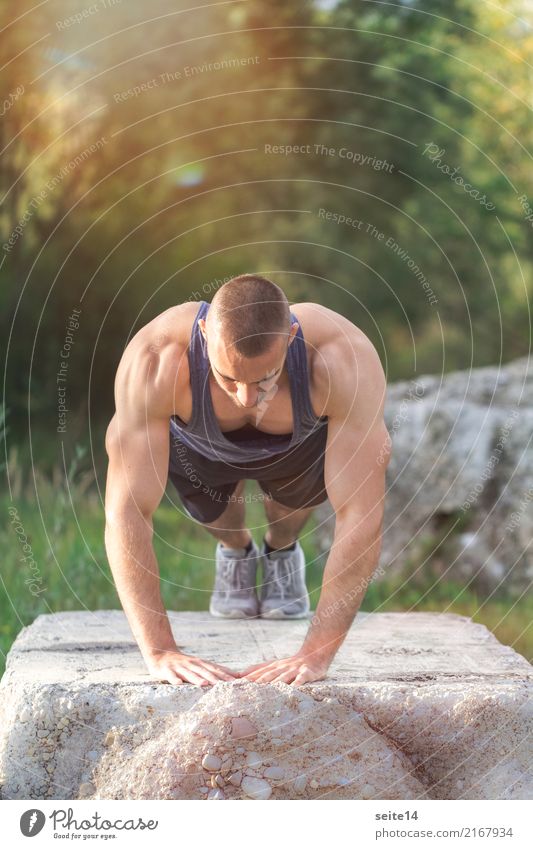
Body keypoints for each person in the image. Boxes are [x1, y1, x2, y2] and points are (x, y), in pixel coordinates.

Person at [104, 274, 391, 687]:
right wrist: (160, 651)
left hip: (298, 445)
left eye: (265, 378)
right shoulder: (157, 360)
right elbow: (127, 510)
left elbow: (362, 514)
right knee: (218, 515)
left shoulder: (342, 357)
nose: (246, 398)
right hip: (200, 444)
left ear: (292, 336)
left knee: (290, 507)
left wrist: (316, 653)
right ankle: (236, 552)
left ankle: (282, 553)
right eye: (229, 379)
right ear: (203, 334)